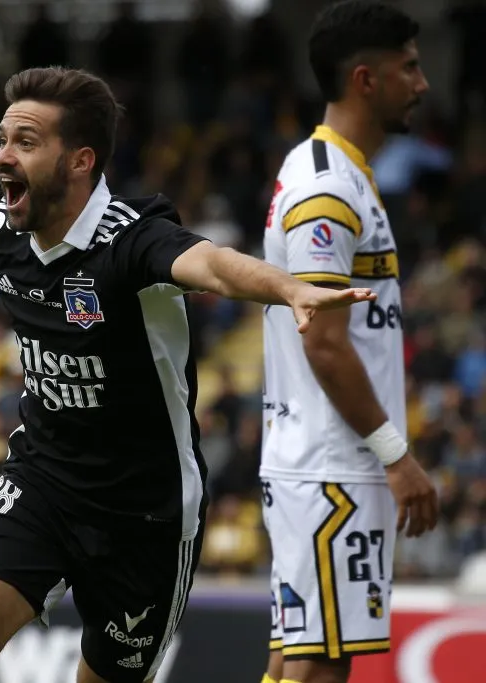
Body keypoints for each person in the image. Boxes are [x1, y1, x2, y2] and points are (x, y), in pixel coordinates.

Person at [0, 66, 374, 683]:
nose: (2, 157)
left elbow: (216, 267)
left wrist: (290, 289)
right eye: (2, 140)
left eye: (25, 142)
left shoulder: (133, 242)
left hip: (145, 513)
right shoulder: (0, 230)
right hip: (43, 483)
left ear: (80, 160)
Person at [259, 3, 439, 683]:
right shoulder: (328, 187)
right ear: (366, 79)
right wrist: (396, 455)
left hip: (321, 461)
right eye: (409, 67)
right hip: (332, 465)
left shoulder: (333, 171)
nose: (422, 84)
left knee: (294, 660)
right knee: (318, 667)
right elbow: (326, 342)